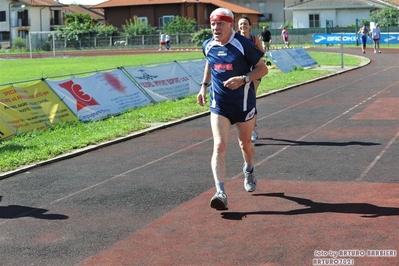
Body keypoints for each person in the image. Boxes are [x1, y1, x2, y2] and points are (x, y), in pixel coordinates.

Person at [197, 8, 268, 210]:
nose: (215, 28)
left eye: (220, 24)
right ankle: (221, 192)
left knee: (245, 145)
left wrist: (243, 79)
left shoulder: (244, 44)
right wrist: (203, 87)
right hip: (219, 104)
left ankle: (249, 168)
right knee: (219, 146)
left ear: (230, 25)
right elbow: (210, 63)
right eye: (212, 24)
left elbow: (263, 69)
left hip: (243, 104)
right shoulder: (208, 45)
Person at [237, 16, 265, 143]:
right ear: (238, 27)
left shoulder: (254, 39)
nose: (243, 26)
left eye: (245, 24)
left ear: (250, 26)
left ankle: (253, 129)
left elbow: (262, 53)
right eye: (241, 24)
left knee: (251, 100)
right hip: (240, 73)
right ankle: (244, 126)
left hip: (253, 73)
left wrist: (252, 53)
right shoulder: (234, 39)